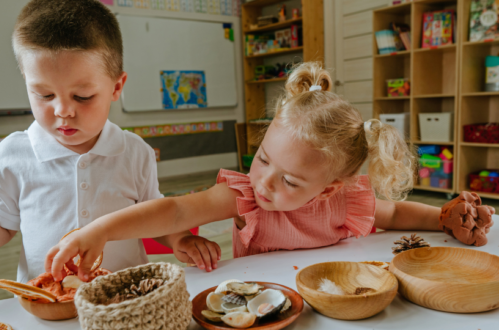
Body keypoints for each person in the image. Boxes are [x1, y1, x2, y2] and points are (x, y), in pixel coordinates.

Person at [45, 62, 494, 282]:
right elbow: (175, 210)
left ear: (330, 188)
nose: (264, 182)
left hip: (328, 293)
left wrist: (439, 218)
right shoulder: (243, 196)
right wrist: (101, 229)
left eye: (290, 181)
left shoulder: (348, 197)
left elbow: (395, 214)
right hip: (260, 300)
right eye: (263, 158)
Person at [0, 0, 219, 284]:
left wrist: (181, 240)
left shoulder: (134, 152)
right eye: (44, 95)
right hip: (49, 303)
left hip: (125, 298)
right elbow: (5, 225)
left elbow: (154, 217)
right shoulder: (12, 154)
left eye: (82, 97)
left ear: (116, 87)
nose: (63, 110)